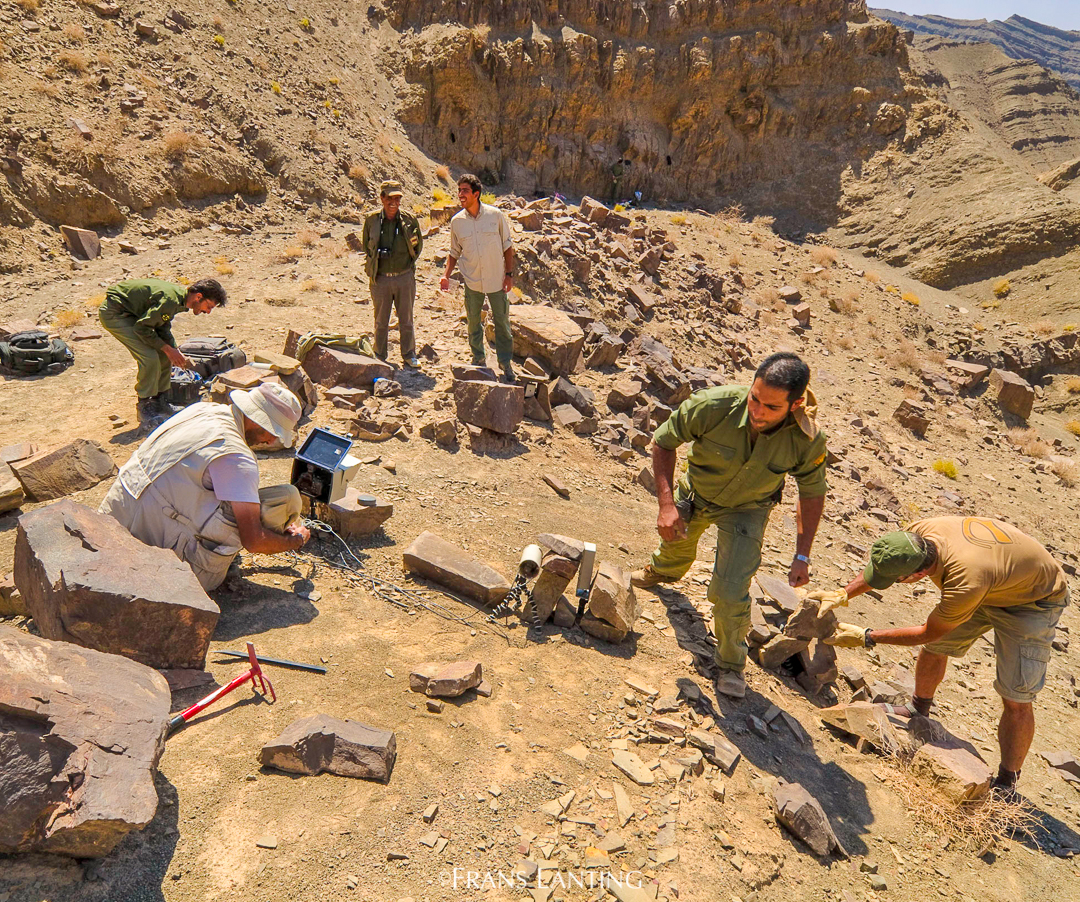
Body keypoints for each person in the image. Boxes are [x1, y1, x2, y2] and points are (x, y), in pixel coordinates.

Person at [821, 517, 1070, 799]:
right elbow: (887, 566)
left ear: (918, 574)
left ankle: (1007, 782)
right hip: (995, 580)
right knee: (936, 650)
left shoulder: (964, 582)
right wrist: (843, 594)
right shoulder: (917, 535)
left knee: (1017, 696)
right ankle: (918, 710)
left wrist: (866, 636)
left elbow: (927, 633)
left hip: (1032, 601)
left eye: (895, 581)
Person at [631, 352, 828, 699]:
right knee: (675, 545)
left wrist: (803, 556)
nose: (757, 411)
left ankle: (730, 663)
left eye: (771, 407)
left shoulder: (806, 439)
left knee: (731, 589)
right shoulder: (713, 405)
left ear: (796, 404)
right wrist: (666, 505)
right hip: (696, 495)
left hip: (747, 509)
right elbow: (664, 441)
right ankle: (661, 570)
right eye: (755, 398)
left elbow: (811, 494)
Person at [99, 383, 311, 592]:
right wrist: (295, 541)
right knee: (286, 498)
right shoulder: (236, 456)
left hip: (110, 519)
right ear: (258, 421)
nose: (272, 440)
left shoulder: (201, 410)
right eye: (272, 432)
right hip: (151, 555)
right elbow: (254, 541)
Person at [98, 277, 226, 429]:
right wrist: (167, 349)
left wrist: (174, 349)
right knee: (149, 357)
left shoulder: (179, 300)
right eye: (209, 306)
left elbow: (161, 326)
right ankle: (145, 407)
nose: (208, 312)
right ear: (199, 297)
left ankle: (161, 400)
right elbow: (142, 329)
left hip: (132, 314)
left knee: (166, 356)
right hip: (115, 313)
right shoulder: (170, 300)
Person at [440, 174, 516, 383]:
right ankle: (478, 358)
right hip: (472, 280)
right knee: (473, 321)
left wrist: (509, 275)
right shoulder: (457, 222)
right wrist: (445, 275)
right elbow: (454, 252)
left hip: (496, 280)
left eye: (465, 190)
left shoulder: (495, 215)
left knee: (502, 322)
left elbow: (507, 246)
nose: (461, 194)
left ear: (476, 194)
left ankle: (505, 363)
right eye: (459, 190)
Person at [362, 179, 424, 367]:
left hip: (404, 277)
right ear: (382, 198)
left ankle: (408, 354)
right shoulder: (372, 220)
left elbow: (418, 246)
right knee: (381, 320)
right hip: (380, 278)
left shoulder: (409, 219)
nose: (394, 203)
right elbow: (367, 246)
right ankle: (380, 354)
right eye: (390, 198)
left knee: (406, 319)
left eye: (397, 198)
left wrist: (406, 268)